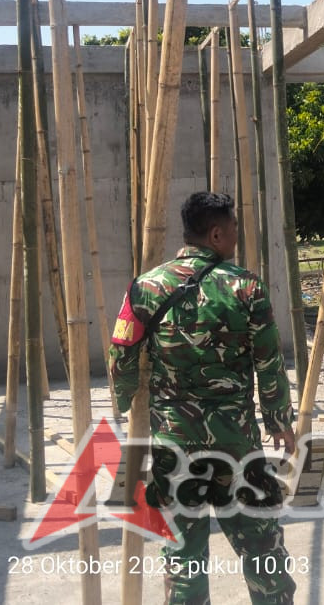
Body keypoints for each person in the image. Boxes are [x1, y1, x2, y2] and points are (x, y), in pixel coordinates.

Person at [109, 191, 296, 605]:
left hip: (173, 443)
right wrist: (280, 422)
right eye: (233, 229)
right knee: (261, 545)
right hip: (235, 443)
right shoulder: (247, 288)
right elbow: (269, 363)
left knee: (183, 557)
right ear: (215, 234)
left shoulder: (145, 288)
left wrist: (123, 400)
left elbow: (120, 356)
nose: (235, 237)